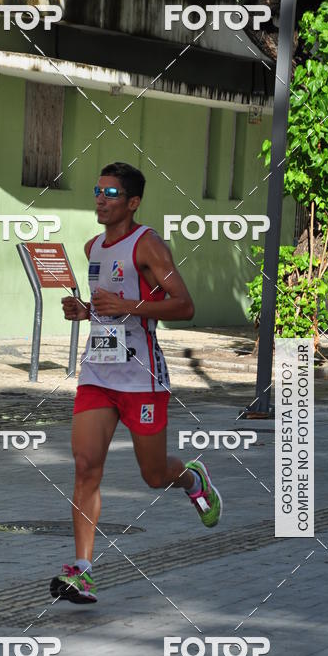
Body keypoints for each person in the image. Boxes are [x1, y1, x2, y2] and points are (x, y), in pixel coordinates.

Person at [50, 162, 222, 604]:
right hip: (97, 374)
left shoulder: (148, 247)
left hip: (141, 378)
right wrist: (85, 311)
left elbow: (184, 306)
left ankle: (192, 478)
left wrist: (126, 305)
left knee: (153, 474)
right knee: (86, 467)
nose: (100, 200)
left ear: (133, 202)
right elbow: (105, 308)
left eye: (110, 193)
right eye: (97, 191)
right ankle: (82, 571)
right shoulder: (92, 247)